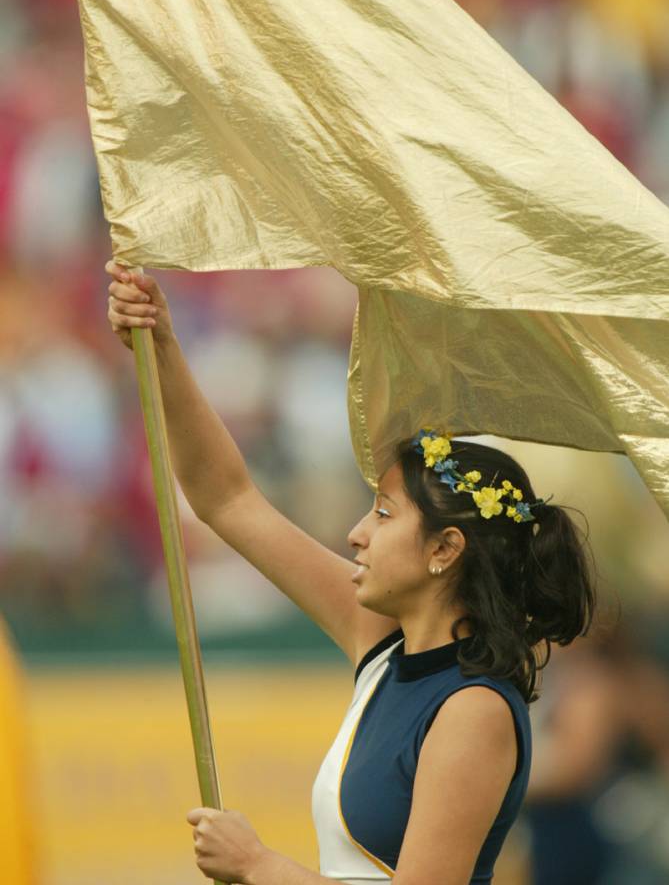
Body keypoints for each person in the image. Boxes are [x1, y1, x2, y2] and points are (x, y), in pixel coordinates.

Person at [106, 259, 596, 885]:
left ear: (444, 548)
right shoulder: (382, 644)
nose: (356, 533)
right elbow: (226, 500)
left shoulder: (474, 710)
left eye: (384, 514)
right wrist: (163, 348)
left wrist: (259, 866)